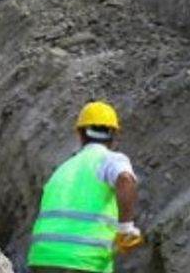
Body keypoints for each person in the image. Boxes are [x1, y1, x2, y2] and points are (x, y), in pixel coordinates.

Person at [27, 101, 142, 273]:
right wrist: (125, 228)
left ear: (80, 134)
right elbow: (125, 179)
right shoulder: (109, 160)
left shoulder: (62, 169)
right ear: (114, 135)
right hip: (84, 261)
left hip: (42, 257)